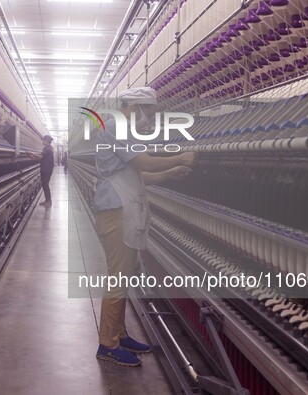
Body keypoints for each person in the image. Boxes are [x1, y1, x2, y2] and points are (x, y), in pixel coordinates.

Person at [93, 87, 196, 367]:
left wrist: (169, 174)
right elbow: (142, 162)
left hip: (121, 210)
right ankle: (108, 344)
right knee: (117, 277)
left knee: (124, 276)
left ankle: (120, 334)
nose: (151, 116)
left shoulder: (123, 129)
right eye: (148, 110)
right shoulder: (118, 126)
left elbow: (137, 177)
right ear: (133, 106)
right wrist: (180, 157)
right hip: (116, 212)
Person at [27, 135, 55, 206]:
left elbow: (40, 156)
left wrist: (32, 153)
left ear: (47, 141)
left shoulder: (47, 148)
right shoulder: (48, 148)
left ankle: (48, 201)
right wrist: (33, 157)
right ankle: (47, 200)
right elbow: (41, 157)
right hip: (47, 169)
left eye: (43, 140)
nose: (42, 141)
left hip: (46, 169)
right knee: (45, 184)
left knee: (45, 184)